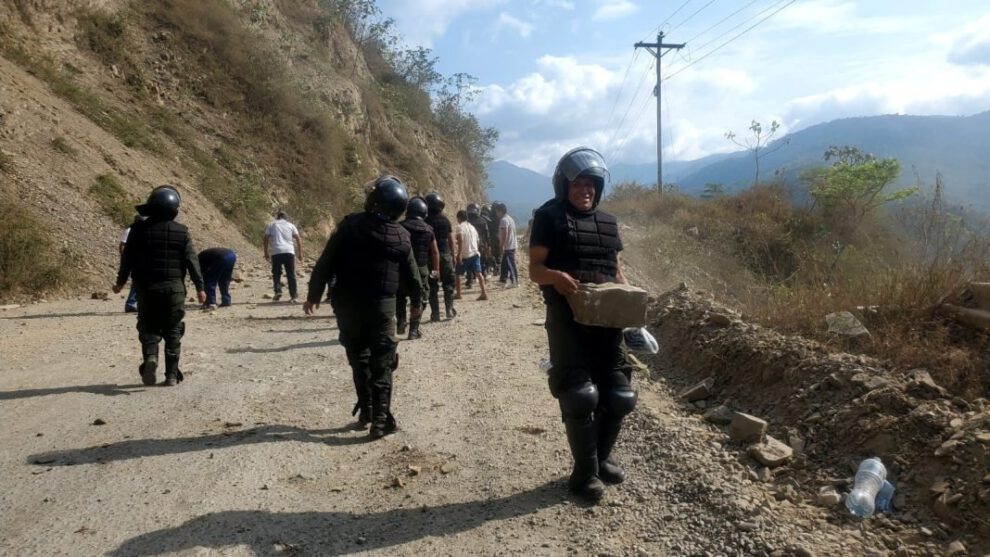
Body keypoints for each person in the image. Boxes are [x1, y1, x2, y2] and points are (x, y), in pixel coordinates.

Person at [528, 147, 636, 504]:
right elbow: (534, 270)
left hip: (608, 320)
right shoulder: (549, 217)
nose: (585, 190)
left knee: (619, 395)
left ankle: (602, 459)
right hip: (567, 320)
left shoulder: (608, 222)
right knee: (580, 395)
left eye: (591, 184)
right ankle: (584, 472)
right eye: (578, 184)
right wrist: (555, 276)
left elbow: (615, 269)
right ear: (564, 185)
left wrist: (629, 298)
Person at [304, 176, 423, 439]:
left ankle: (367, 410)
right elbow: (413, 276)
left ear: (375, 201)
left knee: (359, 357)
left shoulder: (350, 225)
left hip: (347, 304)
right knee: (383, 361)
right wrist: (417, 303)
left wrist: (313, 295)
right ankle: (380, 420)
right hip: (381, 307)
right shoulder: (401, 235)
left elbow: (326, 262)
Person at [114, 185, 206, 387]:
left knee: (148, 325)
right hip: (174, 288)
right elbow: (192, 261)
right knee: (173, 329)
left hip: (146, 287)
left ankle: (150, 357)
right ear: (174, 209)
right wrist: (200, 288)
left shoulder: (138, 230)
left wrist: (120, 282)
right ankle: (171, 376)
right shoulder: (182, 232)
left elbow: (127, 259)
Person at [397, 196, 439, 340]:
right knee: (420, 299)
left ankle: (401, 321)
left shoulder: (400, 226)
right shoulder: (429, 230)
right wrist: (436, 270)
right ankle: (413, 330)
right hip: (421, 269)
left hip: (401, 269)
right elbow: (434, 252)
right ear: (424, 212)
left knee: (400, 296)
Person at [424, 192, 457, 321]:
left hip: (432, 260)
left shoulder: (425, 220)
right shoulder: (445, 220)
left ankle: (435, 314)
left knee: (432, 286)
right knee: (448, 284)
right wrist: (453, 256)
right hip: (445, 257)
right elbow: (450, 239)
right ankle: (449, 310)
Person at [263, 211, 303, 302]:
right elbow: (298, 238)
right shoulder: (291, 225)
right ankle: (293, 295)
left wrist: (266, 252)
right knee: (291, 274)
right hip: (289, 252)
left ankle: (278, 291)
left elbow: (265, 238)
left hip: (276, 252)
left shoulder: (271, 225)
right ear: (286, 218)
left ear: (278, 217)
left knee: (276, 273)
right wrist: (300, 253)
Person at [455, 209, 487, 301]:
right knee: (478, 273)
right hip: (475, 253)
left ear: (459, 218)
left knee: (457, 274)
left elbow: (460, 240)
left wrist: (459, 254)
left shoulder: (460, 227)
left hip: (465, 254)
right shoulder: (472, 227)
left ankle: (458, 294)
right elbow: (477, 240)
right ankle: (484, 293)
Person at [119, 215, 145, 312]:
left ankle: (136, 303)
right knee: (137, 281)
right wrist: (124, 258)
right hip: (133, 259)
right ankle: (131, 304)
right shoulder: (130, 231)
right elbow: (122, 245)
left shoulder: (139, 231)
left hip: (138, 259)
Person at [465, 202, 490, 287]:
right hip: (480, 245)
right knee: (481, 261)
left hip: (469, 245)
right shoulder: (483, 221)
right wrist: (488, 245)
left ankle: (470, 279)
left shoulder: (466, 222)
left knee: (468, 262)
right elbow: (487, 235)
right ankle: (484, 276)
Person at [494, 202, 518, 287]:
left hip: (508, 246)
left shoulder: (503, 220)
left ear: (500, 211)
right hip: (511, 245)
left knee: (511, 264)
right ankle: (502, 280)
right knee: (504, 264)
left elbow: (505, 233)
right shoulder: (510, 219)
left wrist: (502, 245)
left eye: (497, 212)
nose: (496, 214)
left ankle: (514, 281)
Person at [481, 203, 501, 277]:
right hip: (497, 237)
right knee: (497, 254)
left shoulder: (487, 217)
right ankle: (497, 269)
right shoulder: (498, 217)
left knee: (490, 254)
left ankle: (490, 269)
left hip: (490, 238)